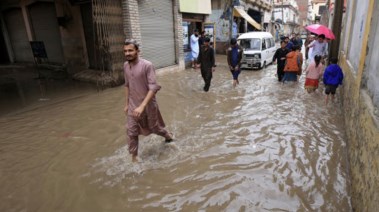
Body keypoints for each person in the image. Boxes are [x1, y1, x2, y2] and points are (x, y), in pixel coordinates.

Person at [123, 39, 173, 162]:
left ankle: (168, 136)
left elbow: (153, 88)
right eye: (125, 51)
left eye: (130, 50)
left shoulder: (147, 65)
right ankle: (134, 157)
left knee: (155, 128)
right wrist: (126, 104)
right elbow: (127, 85)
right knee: (131, 131)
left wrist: (142, 106)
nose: (127, 53)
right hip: (132, 105)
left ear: (137, 51)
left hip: (148, 105)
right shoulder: (125, 65)